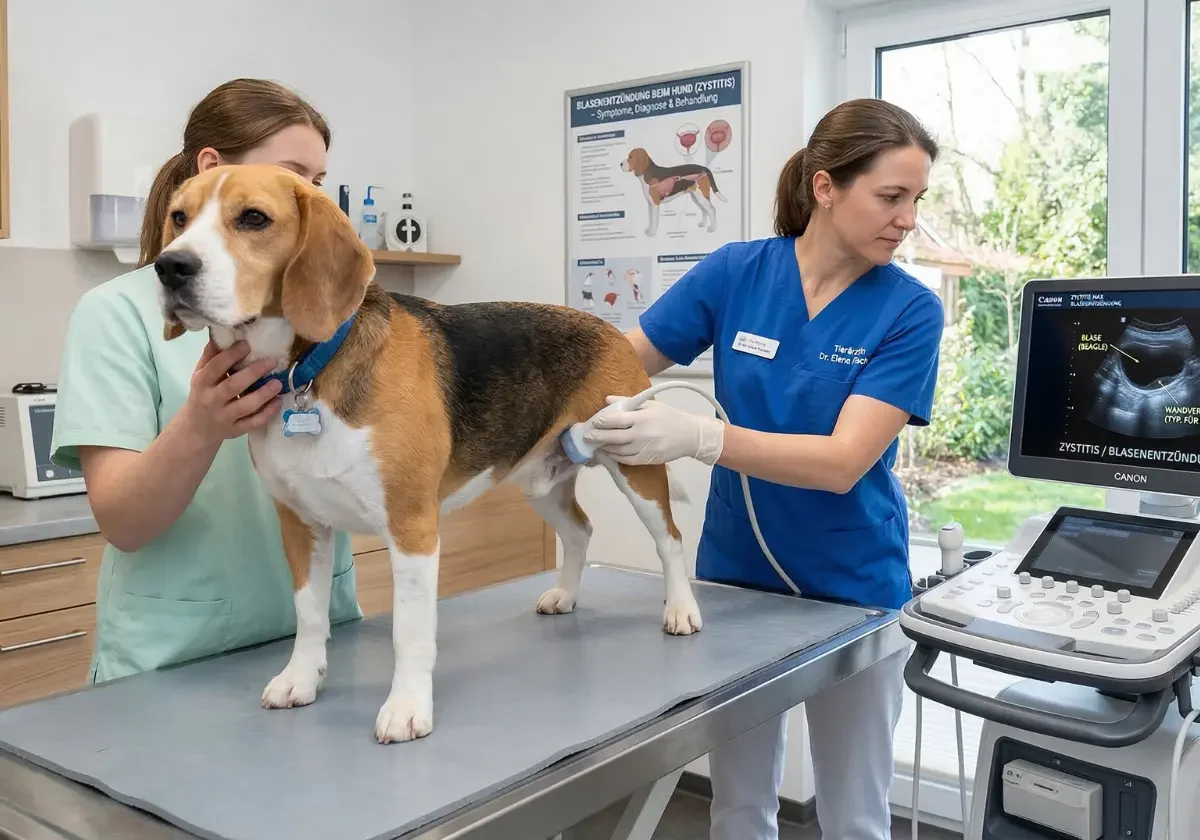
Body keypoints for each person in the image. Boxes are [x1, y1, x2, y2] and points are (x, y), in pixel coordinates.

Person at [586, 98, 944, 840]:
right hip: (736, 578)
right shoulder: (738, 273)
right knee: (740, 805)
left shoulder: (910, 311)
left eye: (916, 200)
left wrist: (699, 438)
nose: (907, 218)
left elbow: (845, 462)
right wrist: (536, 388)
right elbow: (617, 363)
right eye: (891, 196)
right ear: (825, 187)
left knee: (854, 816)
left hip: (854, 588)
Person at [49, 78, 363, 685]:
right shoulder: (116, 313)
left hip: (320, 648)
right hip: (176, 660)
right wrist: (200, 426)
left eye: (317, 185)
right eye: (294, 177)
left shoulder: (327, 315)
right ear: (212, 171)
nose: (311, 202)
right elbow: (123, 523)